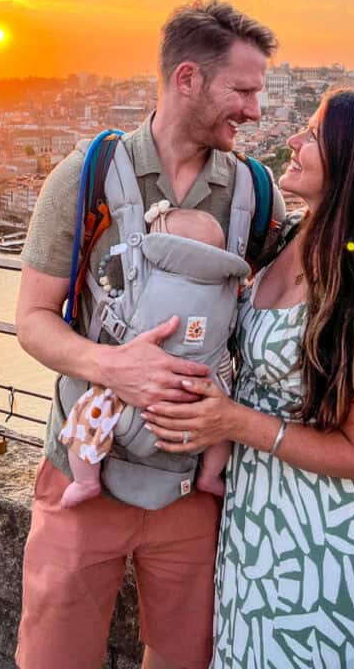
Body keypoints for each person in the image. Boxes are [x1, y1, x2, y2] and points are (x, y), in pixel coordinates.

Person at [15, 0, 284, 669]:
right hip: (87, 474)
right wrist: (114, 370)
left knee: (184, 659)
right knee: (55, 655)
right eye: (243, 91)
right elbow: (32, 320)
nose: (254, 111)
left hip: (195, 485)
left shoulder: (256, 191)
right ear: (187, 79)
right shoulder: (85, 177)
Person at [143, 87, 354, 669]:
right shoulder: (286, 238)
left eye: (311, 134)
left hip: (328, 538)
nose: (293, 140)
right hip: (254, 517)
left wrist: (233, 421)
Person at [58, 205, 238, 508]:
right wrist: (222, 381)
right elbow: (222, 349)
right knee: (223, 431)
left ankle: (85, 481)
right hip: (199, 391)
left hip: (134, 388)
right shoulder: (224, 296)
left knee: (88, 414)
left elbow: (125, 327)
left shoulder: (149, 286)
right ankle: (209, 475)